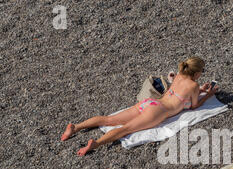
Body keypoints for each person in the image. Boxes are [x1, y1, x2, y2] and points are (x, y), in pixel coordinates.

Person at [60, 57, 218, 156]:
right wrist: (208, 94)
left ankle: (76, 127)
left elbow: (176, 92)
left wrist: (201, 90)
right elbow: (194, 106)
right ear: (197, 73)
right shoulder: (193, 85)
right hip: (159, 111)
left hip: (150, 102)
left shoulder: (178, 76)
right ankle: (97, 143)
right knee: (125, 129)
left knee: (109, 119)